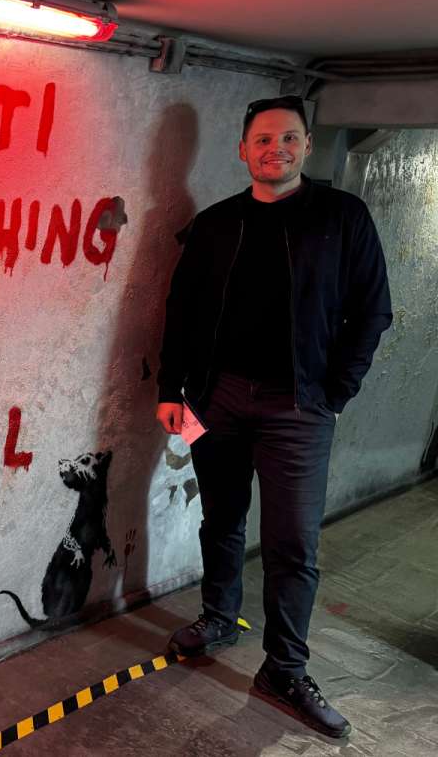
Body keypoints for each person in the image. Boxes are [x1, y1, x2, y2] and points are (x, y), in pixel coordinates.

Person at [154, 95, 393, 739]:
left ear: (307, 146)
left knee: (293, 543)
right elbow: (180, 311)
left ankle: (284, 669)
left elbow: (372, 311)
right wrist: (172, 390)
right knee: (221, 518)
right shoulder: (215, 224)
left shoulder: (341, 217)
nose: (274, 149)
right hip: (215, 400)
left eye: (288, 138)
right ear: (243, 149)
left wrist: (334, 392)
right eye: (262, 139)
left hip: (300, 407)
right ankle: (218, 616)